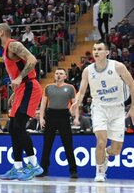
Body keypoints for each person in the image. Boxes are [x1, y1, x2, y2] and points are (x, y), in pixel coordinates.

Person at [70, 41, 134, 182]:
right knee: (101, 140)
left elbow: (131, 84)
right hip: (99, 108)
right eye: (94, 49)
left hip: (117, 109)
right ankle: (100, 172)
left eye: (99, 49)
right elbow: (81, 91)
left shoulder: (118, 66)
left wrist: (133, 107)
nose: (96, 52)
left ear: (106, 53)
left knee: (116, 150)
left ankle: (106, 153)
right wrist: (77, 101)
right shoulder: (88, 70)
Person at [0, 23, 44, 181]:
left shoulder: (13, 45)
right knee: (13, 128)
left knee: (19, 127)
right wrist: (16, 91)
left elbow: (32, 60)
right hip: (21, 89)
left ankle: (34, 165)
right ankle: (18, 167)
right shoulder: (6, 49)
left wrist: (20, 78)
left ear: (1, 32)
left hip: (29, 87)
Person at [37, 68, 79, 178]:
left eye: (61, 74)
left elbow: (75, 104)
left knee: (68, 144)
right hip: (50, 115)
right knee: (47, 144)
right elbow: (43, 104)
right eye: (56, 73)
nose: (58, 75)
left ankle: (73, 171)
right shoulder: (48, 87)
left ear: (65, 76)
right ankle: (44, 169)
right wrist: (41, 117)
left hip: (64, 116)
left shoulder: (70, 88)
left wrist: (76, 117)